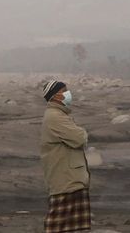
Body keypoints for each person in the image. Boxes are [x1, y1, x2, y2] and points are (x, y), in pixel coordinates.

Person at [40, 79, 92, 233]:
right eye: (64, 91)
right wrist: (82, 131)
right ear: (55, 96)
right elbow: (79, 138)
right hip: (65, 179)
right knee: (59, 226)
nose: (68, 94)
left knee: (72, 228)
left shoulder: (59, 115)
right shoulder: (55, 117)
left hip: (69, 178)